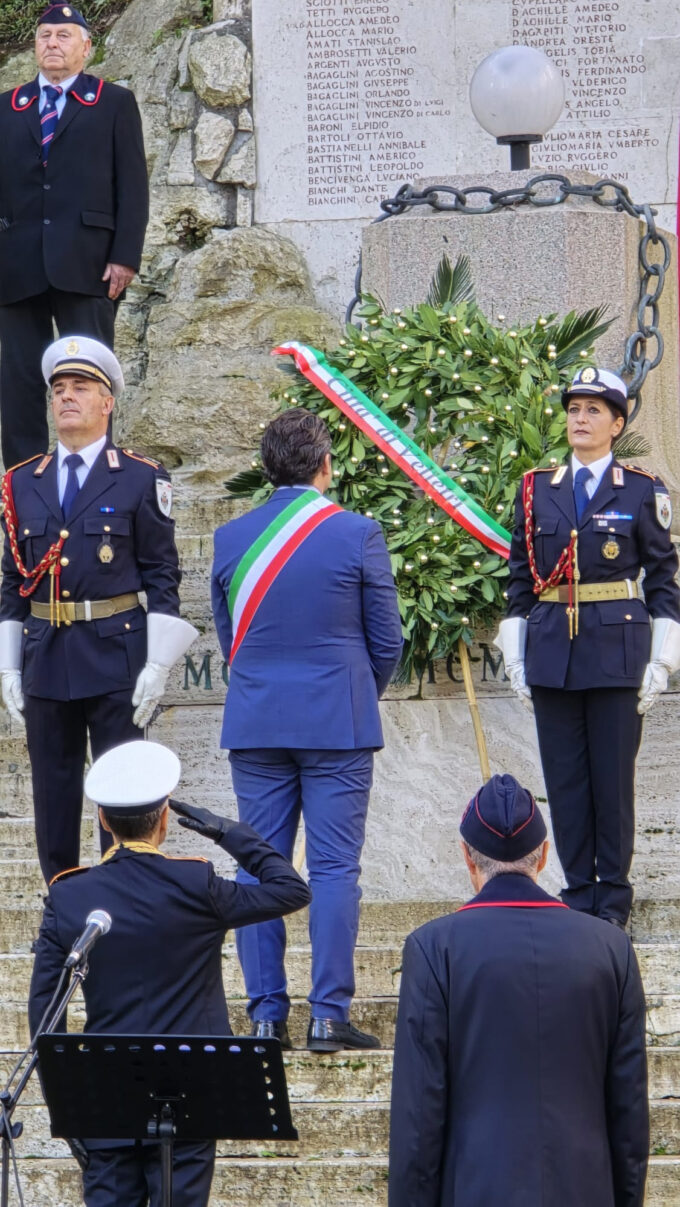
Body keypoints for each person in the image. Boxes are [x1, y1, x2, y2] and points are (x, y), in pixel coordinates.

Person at [28, 740, 312, 1207]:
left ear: (103, 820)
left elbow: (45, 1012)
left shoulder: (70, 896)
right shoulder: (196, 884)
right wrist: (226, 832)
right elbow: (290, 889)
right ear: (165, 819)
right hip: (192, 1088)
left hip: (106, 1098)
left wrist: (69, 1107)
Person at [211, 407, 403, 1051]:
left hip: (258, 720)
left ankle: (265, 1015)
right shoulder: (357, 533)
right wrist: (351, 692)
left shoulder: (232, 537)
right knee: (333, 871)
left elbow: (229, 640)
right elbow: (388, 641)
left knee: (256, 871)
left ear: (267, 468)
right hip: (337, 723)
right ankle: (327, 1015)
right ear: (325, 464)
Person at [388, 773, 649, 1207]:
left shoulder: (433, 948)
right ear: (544, 855)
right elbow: (629, 1112)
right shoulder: (610, 946)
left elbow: (419, 1117)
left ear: (467, 858)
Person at [0, 336, 196, 884]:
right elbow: (14, 578)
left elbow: (162, 573)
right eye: (58, 388)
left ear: (106, 402)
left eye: (81, 387)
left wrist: (157, 665)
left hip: (116, 652)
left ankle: (125, 903)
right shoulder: (21, 482)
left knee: (125, 796)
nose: (67, 397)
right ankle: (62, 907)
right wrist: (8, 665)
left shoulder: (139, 476)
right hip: (47, 657)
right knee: (53, 797)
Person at [496, 366, 680, 927]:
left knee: (611, 785)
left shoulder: (642, 490)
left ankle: (613, 904)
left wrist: (662, 662)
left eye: (594, 411)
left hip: (617, 655)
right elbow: (521, 581)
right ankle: (578, 897)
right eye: (574, 409)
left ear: (617, 424)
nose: (580, 418)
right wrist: (516, 654)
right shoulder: (536, 489)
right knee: (567, 784)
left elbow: (664, 583)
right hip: (553, 653)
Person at [0, 4, 148, 470]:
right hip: (16, 266)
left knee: (88, 375)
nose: (52, 43)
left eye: (65, 35)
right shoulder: (7, 107)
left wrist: (124, 257)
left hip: (88, 263)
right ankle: (22, 492)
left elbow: (133, 186)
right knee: (19, 382)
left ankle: (97, 478)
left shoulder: (113, 102)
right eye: (45, 35)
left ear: (86, 47)